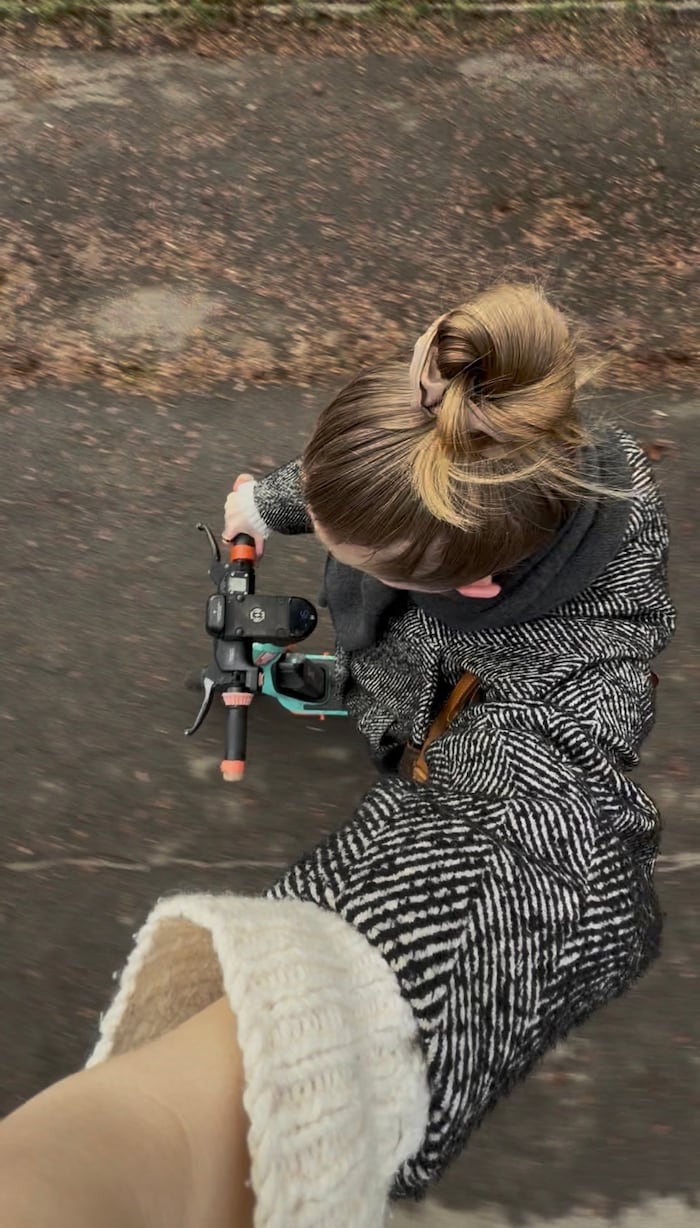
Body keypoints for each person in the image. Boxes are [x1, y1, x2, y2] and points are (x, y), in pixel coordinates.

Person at [0, 285, 674, 1228]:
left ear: (474, 582)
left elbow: (555, 841)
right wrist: (270, 501)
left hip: (466, 707)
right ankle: (361, 687)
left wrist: (325, 1016)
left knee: (423, 735)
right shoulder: (456, 447)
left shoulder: (580, 670)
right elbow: (365, 484)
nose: (320, 538)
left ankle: (380, 701)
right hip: (415, 646)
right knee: (379, 670)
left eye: (352, 547)